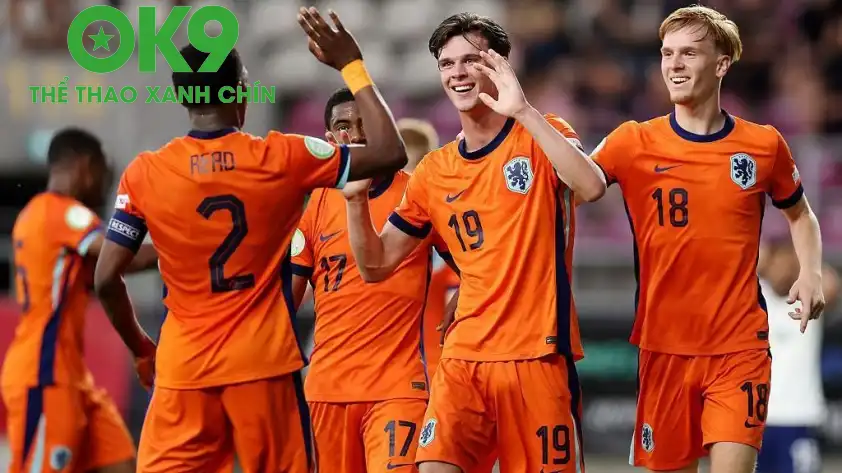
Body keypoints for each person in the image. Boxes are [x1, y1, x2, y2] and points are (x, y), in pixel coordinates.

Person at [92, 8, 408, 473]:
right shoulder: (283, 156)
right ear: (241, 91)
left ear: (182, 96)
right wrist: (351, 64)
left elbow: (105, 278)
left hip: (183, 371)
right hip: (264, 367)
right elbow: (389, 152)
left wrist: (142, 349)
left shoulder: (145, 173)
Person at [340, 12, 606, 473]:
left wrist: (522, 110)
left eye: (470, 60)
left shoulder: (541, 134)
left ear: (499, 65)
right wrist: (356, 201)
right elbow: (376, 264)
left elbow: (592, 186)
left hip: (537, 355)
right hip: (463, 358)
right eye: (446, 64)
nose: (457, 73)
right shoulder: (433, 171)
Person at [587, 6, 826, 473]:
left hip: (740, 345)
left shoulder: (763, 145)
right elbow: (567, 196)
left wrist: (811, 272)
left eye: (689, 53)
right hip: (664, 347)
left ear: (721, 64)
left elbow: (802, 215)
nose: (674, 64)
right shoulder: (631, 141)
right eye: (667, 53)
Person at [289, 89, 457, 473]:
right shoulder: (315, 203)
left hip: (397, 389)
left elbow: (476, 263)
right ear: (330, 140)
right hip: (326, 391)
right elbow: (286, 302)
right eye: (344, 126)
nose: (356, 133)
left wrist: (463, 296)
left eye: (365, 123)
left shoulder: (418, 194)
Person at [1, 128, 158, 473]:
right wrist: (183, 245)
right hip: (44, 376)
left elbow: (110, 271)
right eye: (103, 171)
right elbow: (118, 254)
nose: (105, 183)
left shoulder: (37, 216)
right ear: (86, 165)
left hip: (71, 377)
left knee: (121, 463)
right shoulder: (62, 213)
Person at [756, 238, 839, 473]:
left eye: (788, 262)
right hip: (757, 417)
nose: (781, 269)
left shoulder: (810, 297)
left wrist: (805, 263)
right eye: (776, 262)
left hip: (800, 416)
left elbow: (832, 283)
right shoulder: (756, 296)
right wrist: (762, 259)